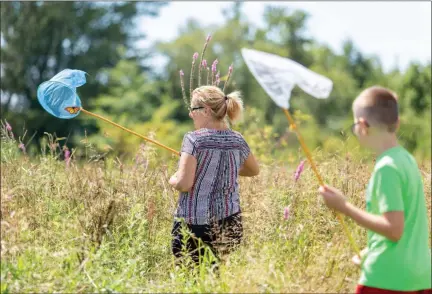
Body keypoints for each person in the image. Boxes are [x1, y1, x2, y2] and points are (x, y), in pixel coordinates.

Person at [318, 86, 431, 294]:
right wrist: (373, 249)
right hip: (420, 276)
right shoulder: (407, 160)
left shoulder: (386, 167)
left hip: (387, 280)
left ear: (362, 125)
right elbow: (406, 225)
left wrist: (345, 207)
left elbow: (394, 229)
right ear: (396, 123)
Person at [168, 85, 259, 267]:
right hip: (230, 223)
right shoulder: (237, 139)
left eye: (193, 109)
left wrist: (173, 178)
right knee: (219, 280)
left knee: (191, 282)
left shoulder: (193, 139)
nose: (190, 114)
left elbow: (184, 184)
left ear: (207, 111)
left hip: (194, 226)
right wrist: (225, 166)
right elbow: (253, 170)